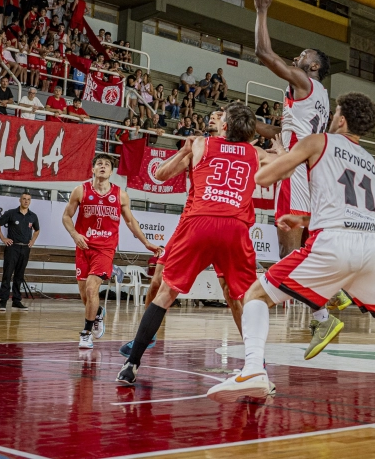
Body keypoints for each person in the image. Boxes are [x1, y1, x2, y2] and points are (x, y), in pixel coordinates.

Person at [203, 92, 375, 425]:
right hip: (370, 250)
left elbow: (263, 178)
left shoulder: (318, 141)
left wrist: (280, 153)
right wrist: (305, 220)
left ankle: (253, 369)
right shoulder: (369, 161)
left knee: (255, 295)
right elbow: (355, 212)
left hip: (333, 246)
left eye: (334, 113)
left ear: (340, 119)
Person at [115, 102, 279, 385]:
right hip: (229, 226)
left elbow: (159, 175)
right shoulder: (253, 152)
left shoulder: (201, 144)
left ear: (225, 124)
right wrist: (283, 150)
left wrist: (185, 149)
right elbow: (284, 166)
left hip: (199, 222)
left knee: (172, 291)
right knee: (242, 296)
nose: (214, 118)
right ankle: (256, 363)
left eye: (219, 115)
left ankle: (133, 362)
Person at [247, 0, 347, 358]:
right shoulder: (318, 97)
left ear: (313, 66)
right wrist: (251, 124)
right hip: (305, 168)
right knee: (297, 245)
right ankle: (332, 292)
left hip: (296, 172)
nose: (296, 57)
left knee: (288, 249)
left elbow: (263, 52)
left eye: (303, 55)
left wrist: (261, 11)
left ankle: (323, 314)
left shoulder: (304, 82)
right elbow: (283, 132)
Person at [63, 154, 162, 349]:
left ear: (111, 171)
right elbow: (66, 216)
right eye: (99, 163)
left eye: (107, 164)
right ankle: (98, 313)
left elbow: (130, 221)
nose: (103, 166)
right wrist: (75, 234)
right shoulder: (80, 190)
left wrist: (146, 243)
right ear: (93, 169)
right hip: (83, 246)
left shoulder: (120, 195)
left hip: (105, 249)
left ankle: (86, 334)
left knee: (92, 288)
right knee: (85, 294)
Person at [0, 192, 40, 311]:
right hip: (12, 247)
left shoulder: (33, 216)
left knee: (19, 275)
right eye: (24, 199)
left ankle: (16, 301)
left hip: (25, 248)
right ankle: (3, 301)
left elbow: (37, 230)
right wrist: (3, 238)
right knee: (7, 274)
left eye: (28, 199)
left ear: (30, 201)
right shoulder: (11, 213)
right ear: (20, 200)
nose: (26, 201)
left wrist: (33, 240)